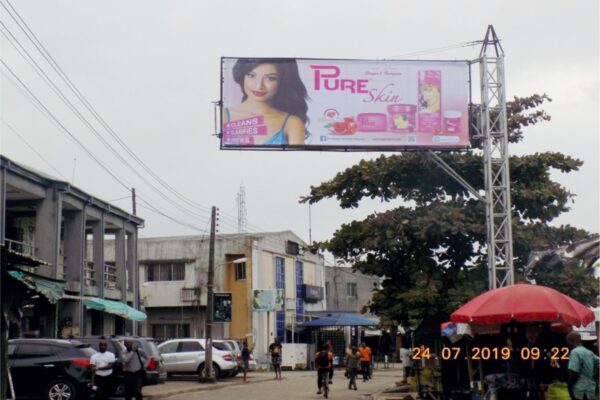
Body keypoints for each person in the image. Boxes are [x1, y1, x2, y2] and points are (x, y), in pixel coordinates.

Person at [225, 58, 309, 146]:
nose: (259, 86)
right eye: (251, 75)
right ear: (242, 77)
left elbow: (297, 159)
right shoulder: (223, 116)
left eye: (270, 78)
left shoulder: (292, 123)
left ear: (282, 81)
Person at [566, 331, 599, 400]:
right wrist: (593, 375)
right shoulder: (589, 352)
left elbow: (574, 372)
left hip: (579, 390)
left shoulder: (575, 352)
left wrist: (569, 386)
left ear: (571, 341)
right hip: (590, 389)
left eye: (567, 342)